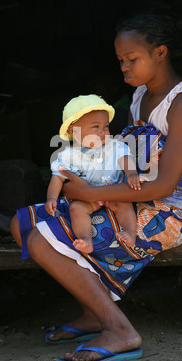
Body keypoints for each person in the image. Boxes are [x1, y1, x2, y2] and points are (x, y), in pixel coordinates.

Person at [10, 13, 182, 361]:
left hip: (173, 210)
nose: (124, 67)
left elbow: (165, 184)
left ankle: (120, 331)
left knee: (41, 239)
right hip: (130, 197)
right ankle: (94, 312)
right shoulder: (138, 98)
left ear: (160, 52)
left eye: (132, 59)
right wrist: (80, 178)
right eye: (120, 60)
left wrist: (89, 192)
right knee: (22, 224)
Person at [46, 94, 140, 253]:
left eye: (106, 126)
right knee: (76, 208)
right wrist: (51, 198)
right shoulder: (69, 155)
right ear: (73, 130)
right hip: (87, 200)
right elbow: (57, 178)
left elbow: (125, 160)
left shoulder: (114, 146)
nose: (103, 131)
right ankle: (85, 239)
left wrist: (131, 174)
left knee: (125, 205)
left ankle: (130, 232)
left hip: (114, 193)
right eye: (96, 127)